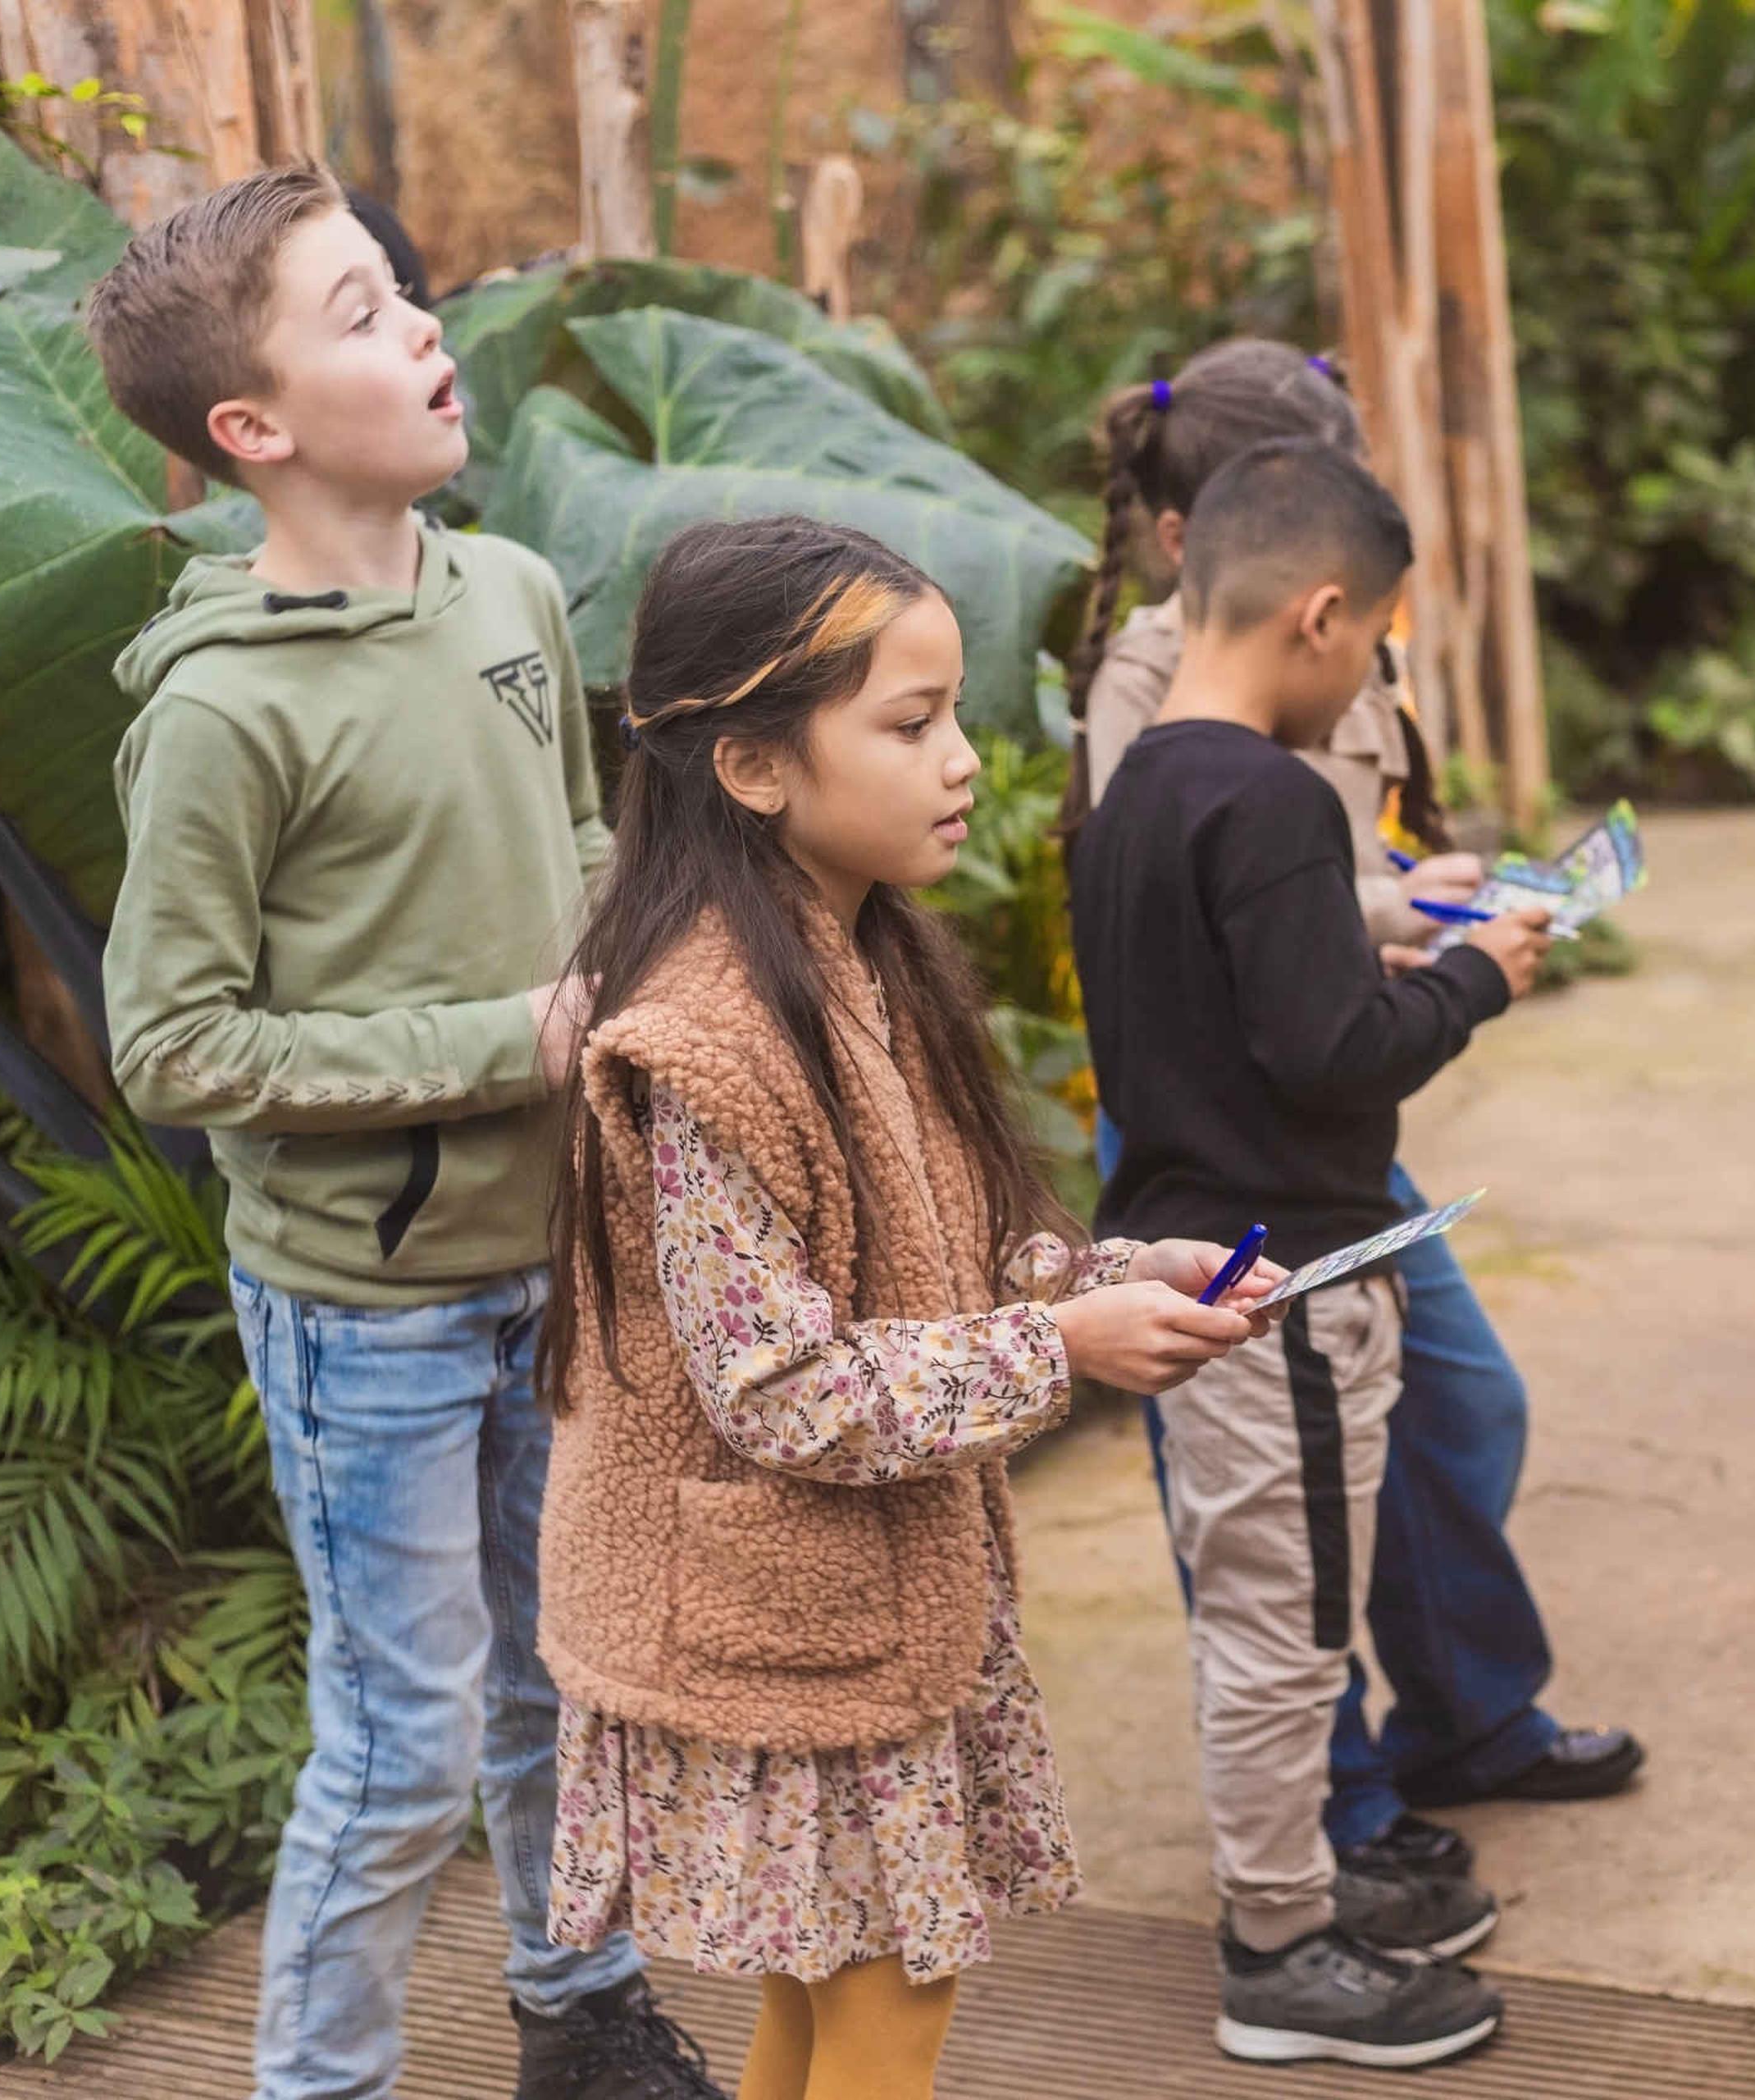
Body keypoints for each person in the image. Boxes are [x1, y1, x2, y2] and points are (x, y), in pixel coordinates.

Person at [90, 169, 718, 2098]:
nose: (427, 325)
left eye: (406, 289)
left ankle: (579, 2011)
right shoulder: (220, 714)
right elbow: (171, 1042)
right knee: (401, 1743)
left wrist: (648, 983)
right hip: (364, 1309)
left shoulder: (517, 593)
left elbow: (587, 844)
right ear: (252, 429)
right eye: (361, 312)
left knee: (569, 1680)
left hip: (563, 1265)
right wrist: (503, 1041)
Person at [533, 515, 1282, 2100]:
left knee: (836, 1992)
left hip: (854, 1610)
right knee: (890, 1999)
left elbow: (929, 1258)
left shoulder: (863, 957)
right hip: (795, 1625)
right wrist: (1060, 1350)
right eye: (910, 721)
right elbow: (783, 1388)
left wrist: (1109, 1279)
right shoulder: (707, 1034)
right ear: (751, 767)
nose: (961, 762)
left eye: (955, 716)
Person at [1068, 339, 1643, 1882]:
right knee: (1276, 1552)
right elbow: (1288, 1004)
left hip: (1308, 1139)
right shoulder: (1207, 752)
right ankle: (1313, 1870)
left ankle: (1449, 1728)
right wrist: (1466, 983)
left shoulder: (1220, 722)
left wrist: (1405, 904)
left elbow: (1294, 922)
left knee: (1433, 1428)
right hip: (1245, 1166)